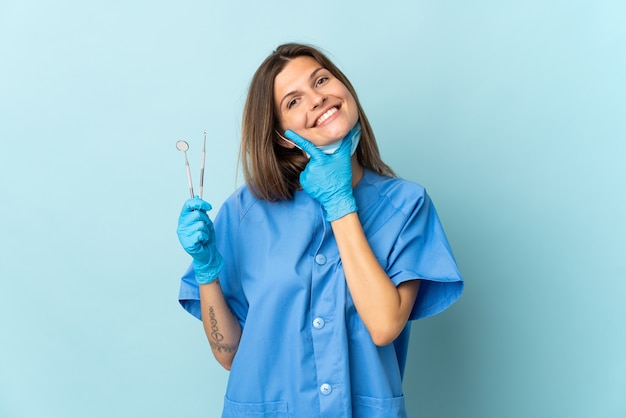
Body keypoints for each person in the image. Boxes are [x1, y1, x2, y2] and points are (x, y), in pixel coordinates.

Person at [176, 43, 464, 418]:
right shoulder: (245, 212)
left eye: (322, 80)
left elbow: (383, 326)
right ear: (281, 136)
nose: (317, 99)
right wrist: (207, 271)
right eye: (293, 102)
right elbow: (228, 353)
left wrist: (340, 202)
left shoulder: (406, 206)